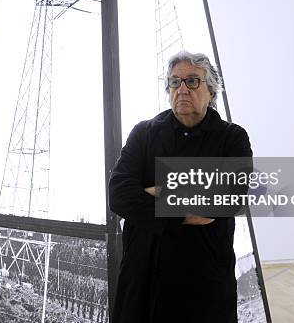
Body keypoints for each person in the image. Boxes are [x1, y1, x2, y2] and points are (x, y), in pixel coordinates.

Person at [108, 50, 253, 323]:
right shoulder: (144, 133)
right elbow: (118, 196)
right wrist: (188, 198)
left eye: (192, 81)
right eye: (175, 82)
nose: (182, 89)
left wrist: (152, 192)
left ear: (211, 90)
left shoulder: (232, 139)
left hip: (202, 285)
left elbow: (225, 201)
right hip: (143, 280)